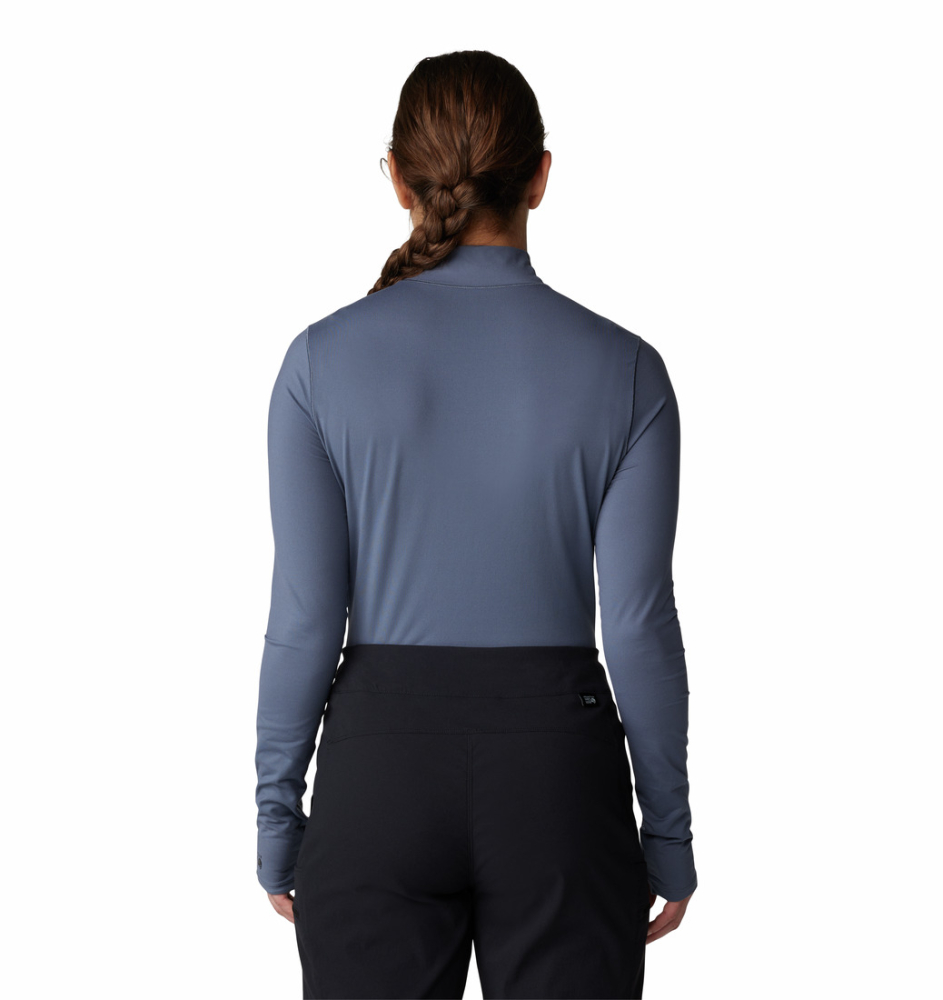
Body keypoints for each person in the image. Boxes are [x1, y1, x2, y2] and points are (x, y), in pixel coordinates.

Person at [254, 49, 697, 1000]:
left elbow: (305, 619)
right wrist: (667, 831)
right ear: (540, 176)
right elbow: (637, 626)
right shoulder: (629, 372)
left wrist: (277, 818)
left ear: (397, 180)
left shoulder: (317, 365)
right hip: (559, 778)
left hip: (378, 776)